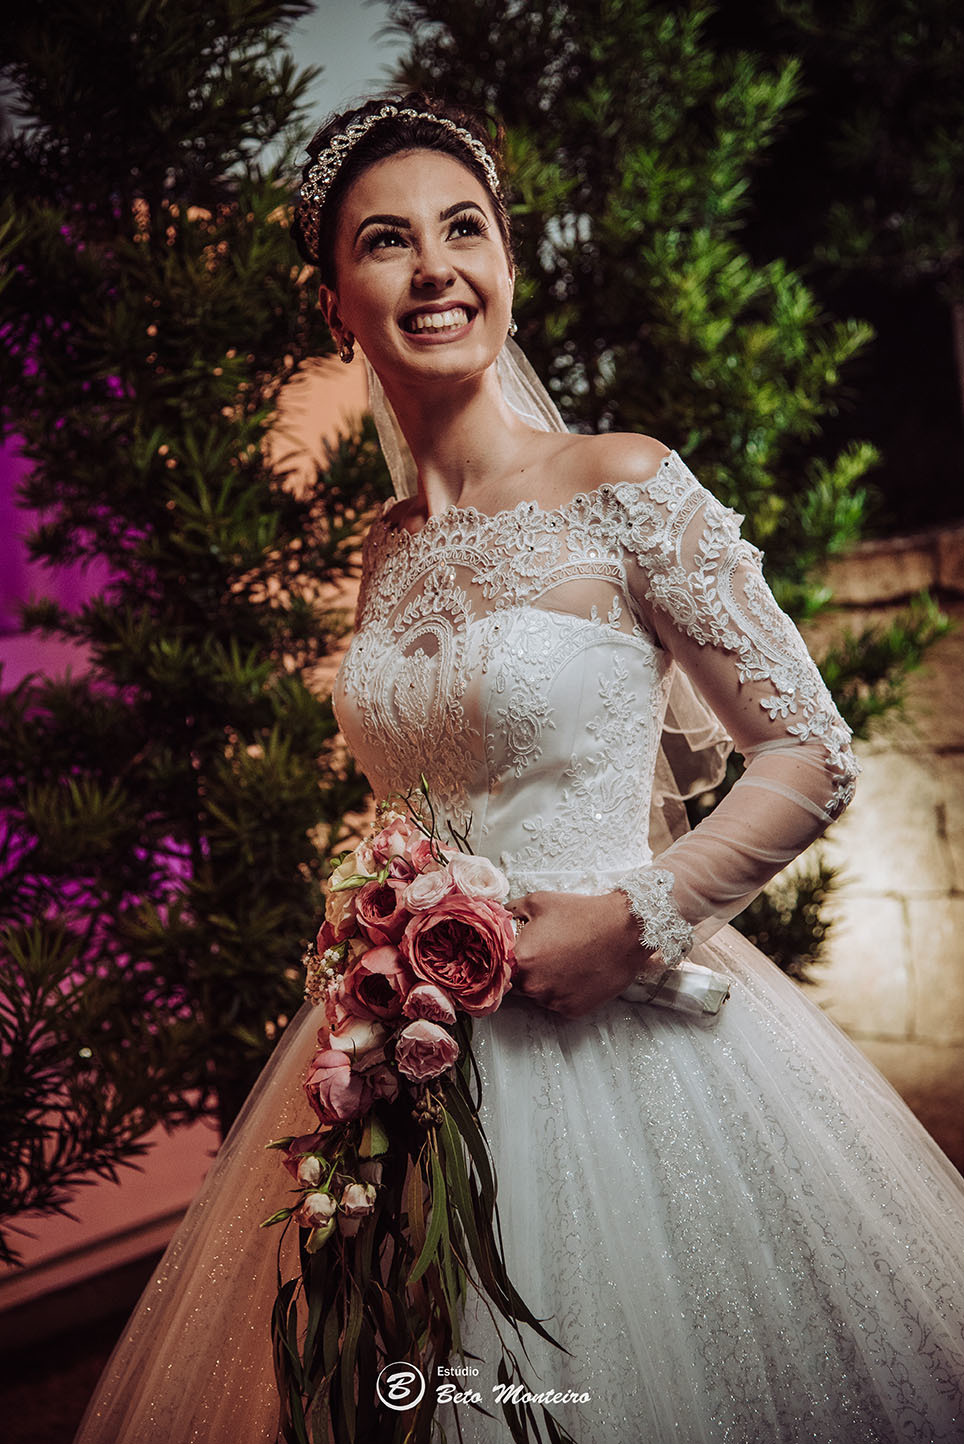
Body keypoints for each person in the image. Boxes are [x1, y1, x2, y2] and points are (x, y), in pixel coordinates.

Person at [74, 94, 964, 1444]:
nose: (436, 264)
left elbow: (811, 751)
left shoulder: (623, 481)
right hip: (405, 1058)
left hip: (623, 1039)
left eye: (465, 228)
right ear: (336, 304)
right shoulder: (381, 552)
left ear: (503, 265)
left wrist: (635, 919)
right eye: (388, 240)